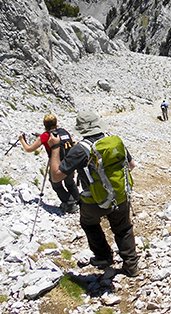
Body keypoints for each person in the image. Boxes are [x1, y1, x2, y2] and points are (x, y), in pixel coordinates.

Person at [47, 111, 140, 277]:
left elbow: (56, 175)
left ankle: (104, 257)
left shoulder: (80, 149)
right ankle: (131, 266)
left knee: (89, 223)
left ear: (81, 129)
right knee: (124, 228)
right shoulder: (114, 141)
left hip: (93, 201)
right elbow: (131, 165)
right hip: (120, 196)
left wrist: (54, 147)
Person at [19, 113, 79, 214]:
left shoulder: (45, 136)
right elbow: (73, 142)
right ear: (56, 122)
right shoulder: (64, 132)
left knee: (56, 184)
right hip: (69, 161)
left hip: (56, 163)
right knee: (70, 182)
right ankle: (79, 201)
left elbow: (29, 149)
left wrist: (22, 140)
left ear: (45, 124)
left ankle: (70, 203)